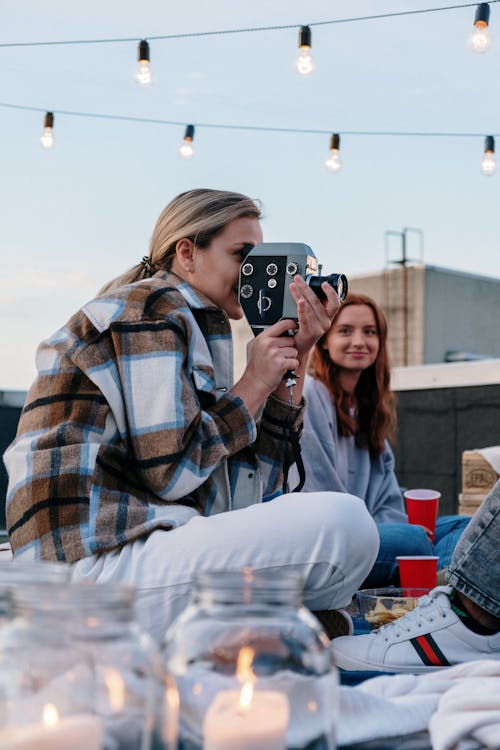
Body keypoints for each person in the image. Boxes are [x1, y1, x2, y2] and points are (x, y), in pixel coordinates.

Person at [3, 189, 379, 644]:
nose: (254, 274)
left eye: (261, 258)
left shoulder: (198, 326)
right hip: (86, 574)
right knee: (347, 524)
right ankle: (272, 629)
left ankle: (255, 630)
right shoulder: (150, 310)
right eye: (242, 254)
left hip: (133, 559)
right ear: (187, 252)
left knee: (345, 531)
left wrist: (289, 366)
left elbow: (246, 496)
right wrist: (252, 383)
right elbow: (171, 472)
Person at [299, 293, 469, 587]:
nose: (359, 341)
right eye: (345, 331)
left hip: (377, 533)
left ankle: (434, 579)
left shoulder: (368, 410)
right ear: (324, 341)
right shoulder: (311, 394)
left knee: (466, 528)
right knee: (414, 540)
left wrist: (397, 529)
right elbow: (320, 498)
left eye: (370, 332)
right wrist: (400, 533)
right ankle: (442, 583)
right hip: (329, 541)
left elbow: (389, 501)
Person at [332, 478, 500, 672]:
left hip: (394, 526)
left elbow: (391, 503)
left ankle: (464, 609)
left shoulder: (376, 448)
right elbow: (330, 513)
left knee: (462, 524)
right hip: (342, 532)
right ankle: (450, 583)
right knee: (414, 539)